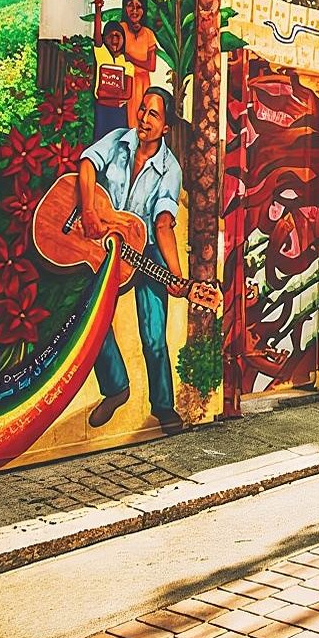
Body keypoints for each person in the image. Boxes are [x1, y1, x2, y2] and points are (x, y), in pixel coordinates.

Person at [79, 87, 188, 435]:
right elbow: (86, 164)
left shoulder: (170, 170)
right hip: (105, 242)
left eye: (154, 115)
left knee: (154, 337)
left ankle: (164, 406)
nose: (144, 118)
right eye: (143, 110)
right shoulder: (116, 141)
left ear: (166, 128)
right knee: (92, 320)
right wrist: (87, 212)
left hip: (149, 249)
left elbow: (163, 223)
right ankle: (115, 388)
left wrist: (176, 274)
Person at [91, 0, 133, 139]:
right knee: (100, 142)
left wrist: (105, 93)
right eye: (111, 36)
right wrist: (98, 9)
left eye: (118, 36)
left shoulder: (127, 63)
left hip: (119, 112)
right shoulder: (102, 54)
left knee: (118, 143)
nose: (114, 40)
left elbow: (127, 94)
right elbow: (97, 36)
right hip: (102, 110)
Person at [120, 0, 158, 131]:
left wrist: (130, 58)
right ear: (125, 8)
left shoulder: (148, 34)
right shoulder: (120, 29)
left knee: (141, 122)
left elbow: (151, 65)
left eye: (139, 6)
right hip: (124, 82)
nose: (134, 10)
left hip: (143, 85)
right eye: (130, 5)